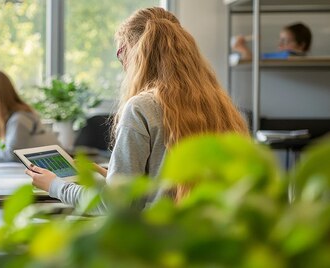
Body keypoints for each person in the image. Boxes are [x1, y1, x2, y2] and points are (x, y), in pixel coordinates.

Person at [25, 7, 248, 213]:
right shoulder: (219, 106)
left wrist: (55, 186)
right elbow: (170, 186)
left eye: (120, 55)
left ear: (134, 54)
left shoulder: (142, 107)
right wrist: (109, 174)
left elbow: (115, 206)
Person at [0, 70, 59, 162]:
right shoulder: (13, 117)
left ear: (0, 92)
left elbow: (12, 155)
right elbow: (8, 146)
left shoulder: (20, 119)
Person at [232, 22, 312, 60]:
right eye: (280, 40)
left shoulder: (291, 56)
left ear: (301, 45)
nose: (279, 45)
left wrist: (244, 50)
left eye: (285, 41)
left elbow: (255, 60)